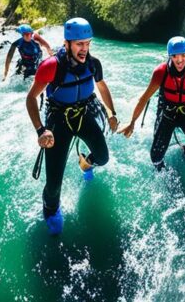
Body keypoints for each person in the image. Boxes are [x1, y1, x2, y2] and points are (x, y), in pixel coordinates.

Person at [26, 18, 119, 235]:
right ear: (67, 43)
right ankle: (50, 209)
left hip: (85, 113)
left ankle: (85, 162)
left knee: (103, 158)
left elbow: (102, 87)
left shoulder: (94, 64)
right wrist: (41, 129)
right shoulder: (51, 67)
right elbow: (31, 98)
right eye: (79, 44)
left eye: (87, 43)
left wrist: (112, 112)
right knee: (54, 184)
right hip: (58, 120)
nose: (84, 48)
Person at [119, 36, 185, 170]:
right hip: (168, 113)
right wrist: (132, 122)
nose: (179, 60)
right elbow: (144, 98)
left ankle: (184, 155)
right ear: (169, 56)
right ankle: (163, 174)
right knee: (155, 157)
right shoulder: (160, 72)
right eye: (175, 56)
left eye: (183, 55)